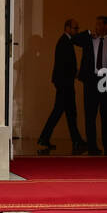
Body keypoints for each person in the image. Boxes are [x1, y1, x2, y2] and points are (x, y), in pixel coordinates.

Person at [36, 18, 89, 155]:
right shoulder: (65, 42)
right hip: (65, 83)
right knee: (66, 112)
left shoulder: (65, 41)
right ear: (67, 28)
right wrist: (77, 73)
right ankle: (72, 140)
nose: (76, 31)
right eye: (75, 28)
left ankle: (49, 138)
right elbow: (66, 64)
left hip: (64, 82)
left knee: (65, 112)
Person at [80, 15, 107, 155]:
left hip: (106, 78)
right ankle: (92, 147)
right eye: (96, 24)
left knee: (106, 114)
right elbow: (74, 40)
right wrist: (89, 33)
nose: (96, 26)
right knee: (90, 114)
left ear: (106, 26)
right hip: (92, 79)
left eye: (99, 24)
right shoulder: (89, 39)